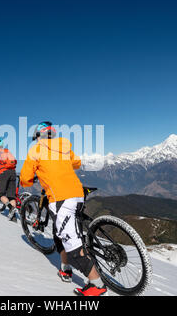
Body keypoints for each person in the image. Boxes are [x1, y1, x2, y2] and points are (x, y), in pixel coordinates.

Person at [20, 121, 107, 296]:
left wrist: (29, 180)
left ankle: (97, 285)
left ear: (38, 137)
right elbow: (76, 163)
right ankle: (65, 268)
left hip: (61, 198)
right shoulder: (64, 145)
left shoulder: (36, 150)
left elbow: (25, 178)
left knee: (71, 242)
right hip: (77, 193)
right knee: (60, 232)